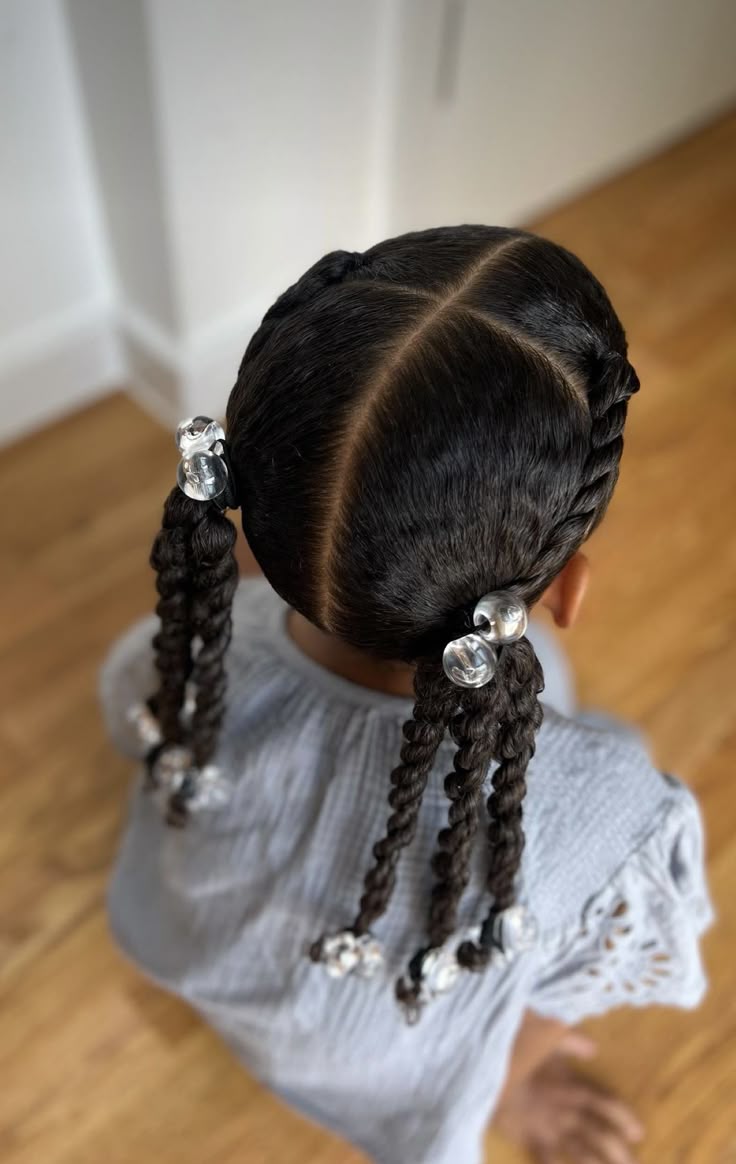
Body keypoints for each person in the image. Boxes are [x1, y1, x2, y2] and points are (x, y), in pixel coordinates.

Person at [101, 226, 713, 1164]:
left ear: (257, 540)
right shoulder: (606, 817)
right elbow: (579, 980)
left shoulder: (181, 652)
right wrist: (516, 1074)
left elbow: (124, 705)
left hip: (226, 972)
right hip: (407, 1063)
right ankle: (514, 1095)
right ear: (567, 592)